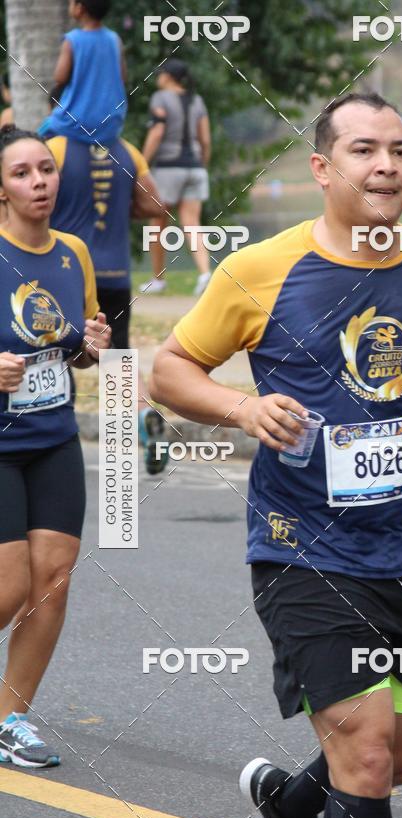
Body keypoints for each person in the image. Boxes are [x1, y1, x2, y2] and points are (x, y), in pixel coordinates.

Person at [150, 93, 402, 818]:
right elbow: (168, 369)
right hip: (301, 550)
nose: (384, 164)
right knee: (370, 755)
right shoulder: (259, 270)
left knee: (400, 758)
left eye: (396, 149)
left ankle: (289, 801)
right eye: (362, 150)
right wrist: (242, 407)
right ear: (323, 167)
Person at [0, 125, 111, 766]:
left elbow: (77, 347)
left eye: (46, 169)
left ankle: (11, 717)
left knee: (54, 579)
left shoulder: (72, 252)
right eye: (22, 173)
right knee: (9, 583)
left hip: (53, 437)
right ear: (3, 187)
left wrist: (91, 347)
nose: (39, 182)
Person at [46, 133, 169, 474]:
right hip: (114, 271)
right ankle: (144, 413)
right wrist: (117, 207)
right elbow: (155, 205)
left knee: (43, 348)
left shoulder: (56, 147)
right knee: (114, 353)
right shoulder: (127, 149)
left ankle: (40, 448)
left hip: (65, 267)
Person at [141, 59, 211, 297]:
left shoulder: (160, 98)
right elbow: (205, 140)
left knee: (157, 223)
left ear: (168, 76)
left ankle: (158, 279)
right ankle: (204, 274)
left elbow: (157, 131)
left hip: (168, 168)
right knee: (192, 222)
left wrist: (141, 163)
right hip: (195, 167)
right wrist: (202, 164)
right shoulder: (197, 100)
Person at [40, 0, 127, 146]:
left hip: (76, 122)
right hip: (111, 123)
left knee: (40, 133)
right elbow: (123, 77)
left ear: (80, 8)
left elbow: (60, 77)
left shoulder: (73, 39)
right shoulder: (114, 39)